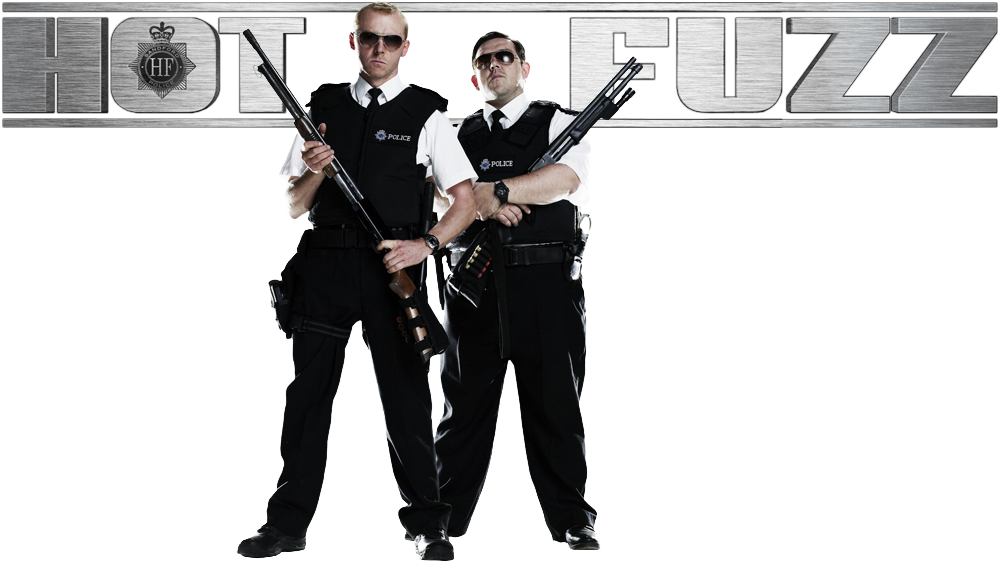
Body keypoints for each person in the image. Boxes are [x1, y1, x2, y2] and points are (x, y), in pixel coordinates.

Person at [236, 3, 476, 560]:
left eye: (390, 41)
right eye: (369, 38)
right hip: (325, 267)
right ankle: (287, 525)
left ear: (404, 48)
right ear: (354, 41)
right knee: (307, 398)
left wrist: (426, 245)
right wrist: (315, 170)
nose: (379, 49)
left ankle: (429, 526)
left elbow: (464, 202)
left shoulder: (428, 113)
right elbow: (294, 204)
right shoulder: (320, 108)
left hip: (395, 269)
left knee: (408, 401)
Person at [434, 31, 600, 551]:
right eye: (484, 60)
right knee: (463, 406)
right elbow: (443, 199)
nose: (495, 65)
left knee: (557, 402)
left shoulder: (557, 121)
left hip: (545, 284)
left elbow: (566, 178)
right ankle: (444, 520)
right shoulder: (457, 134)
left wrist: (499, 191)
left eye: (504, 56)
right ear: (475, 75)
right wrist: (479, 204)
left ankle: (572, 518)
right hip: (473, 286)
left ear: (524, 68)